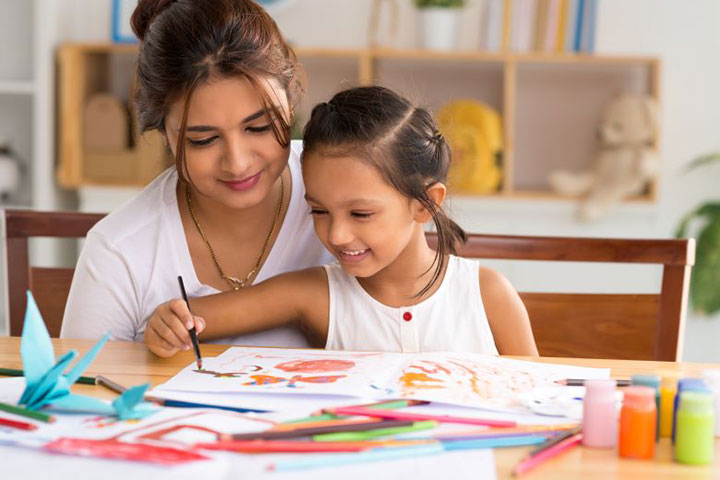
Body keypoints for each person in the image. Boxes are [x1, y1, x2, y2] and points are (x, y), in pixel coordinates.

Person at [145, 86, 539, 357]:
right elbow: (192, 319)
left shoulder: (487, 294)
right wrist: (169, 323)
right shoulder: (315, 294)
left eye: (361, 213)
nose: (336, 234)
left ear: (425, 204)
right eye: (319, 210)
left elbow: (536, 398)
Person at [60, 0, 334, 346]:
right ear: (165, 136)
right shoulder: (119, 250)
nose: (237, 163)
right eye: (203, 140)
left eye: (259, 127)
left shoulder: (347, 191)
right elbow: (79, 389)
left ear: (290, 103)